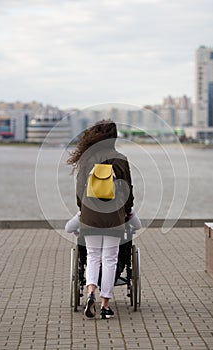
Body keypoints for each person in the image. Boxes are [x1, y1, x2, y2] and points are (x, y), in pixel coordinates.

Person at [67, 119, 135, 319]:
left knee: (92, 257)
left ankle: (90, 293)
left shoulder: (88, 158)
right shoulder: (120, 159)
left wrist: (83, 209)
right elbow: (128, 189)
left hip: (90, 215)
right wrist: (128, 210)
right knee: (110, 259)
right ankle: (105, 305)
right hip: (114, 216)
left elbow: (79, 190)